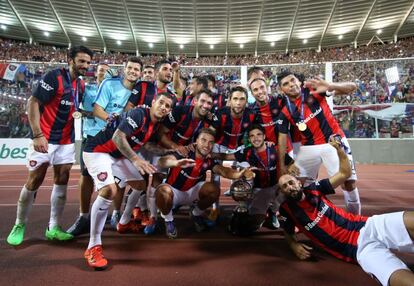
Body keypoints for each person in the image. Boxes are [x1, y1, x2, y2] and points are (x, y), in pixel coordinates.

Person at [278, 139, 414, 286]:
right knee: (399, 278)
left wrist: (339, 151)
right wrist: (293, 245)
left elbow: (345, 173)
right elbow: (288, 231)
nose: (289, 187)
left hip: (368, 225)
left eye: (291, 182)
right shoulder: (286, 209)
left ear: (299, 182)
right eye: (285, 186)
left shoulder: (315, 188)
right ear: (283, 192)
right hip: (358, 250)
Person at [6, 45, 93, 246]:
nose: (85, 66)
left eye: (88, 62)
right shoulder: (54, 77)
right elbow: (33, 102)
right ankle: (19, 224)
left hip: (66, 141)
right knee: (35, 178)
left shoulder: (80, 85)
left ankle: (53, 227)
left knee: (62, 179)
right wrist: (37, 135)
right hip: (44, 137)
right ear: (70, 60)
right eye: (81, 61)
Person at [83, 92, 174, 270]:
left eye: (168, 106)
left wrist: (172, 152)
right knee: (110, 190)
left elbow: (146, 144)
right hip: (98, 151)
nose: (163, 107)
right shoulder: (139, 113)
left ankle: (123, 222)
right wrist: (135, 159)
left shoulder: (155, 125)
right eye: (161, 102)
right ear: (154, 101)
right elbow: (118, 137)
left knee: (140, 184)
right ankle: (93, 246)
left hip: (117, 156)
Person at [277, 70, 361, 215]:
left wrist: (330, 85)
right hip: (309, 147)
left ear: (299, 81)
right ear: (281, 89)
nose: (291, 85)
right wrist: (283, 164)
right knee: (295, 183)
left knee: (348, 183)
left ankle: (356, 221)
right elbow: (282, 138)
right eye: (286, 84)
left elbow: (352, 87)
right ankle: (304, 218)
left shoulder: (314, 90)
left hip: (333, 141)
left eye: (292, 80)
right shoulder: (286, 111)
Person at [156, 128, 255, 239]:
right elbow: (162, 161)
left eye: (210, 142)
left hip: (192, 193)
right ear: (196, 141)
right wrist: (176, 162)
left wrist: (239, 174)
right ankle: (169, 220)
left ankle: (195, 214)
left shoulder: (209, 159)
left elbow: (223, 171)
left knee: (214, 190)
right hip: (175, 192)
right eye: (203, 140)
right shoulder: (185, 152)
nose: (207, 145)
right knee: (162, 191)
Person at [215, 124, 298, 235]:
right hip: (258, 190)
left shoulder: (275, 149)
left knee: (287, 191)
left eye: (259, 135)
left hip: (275, 187)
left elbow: (291, 163)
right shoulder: (247, 152)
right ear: (249, 139)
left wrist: (289, 171)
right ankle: (244, 211)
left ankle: (273, 212)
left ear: (264, 136)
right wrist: (210, 154)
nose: (256, 138)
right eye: (252, 136)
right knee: (252, 224)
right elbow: (226, 157)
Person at [92, 56, 143, 229]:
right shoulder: (109, 84)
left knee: (124, 182)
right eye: (130, 68)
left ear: (140, 73)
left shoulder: (140, 89)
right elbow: (97, 109)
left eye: (136, 69)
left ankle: (117, 213)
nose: (133, 71)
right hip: (103, 139)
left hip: (125, 142)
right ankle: (90, 223)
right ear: (124, 68)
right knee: (107, 186)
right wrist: (110, 119)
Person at [66, 63, 110, 236]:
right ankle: (83, 216)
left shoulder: (114, 90)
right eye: (100, 70)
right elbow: (77, 108)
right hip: (90, 137)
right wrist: (86, 113)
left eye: (107, 71)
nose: (103, 73)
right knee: (86, 177)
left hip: (110, 137)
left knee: (114, 180)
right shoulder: (87, 89)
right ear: (96, 72)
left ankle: (113, 213)